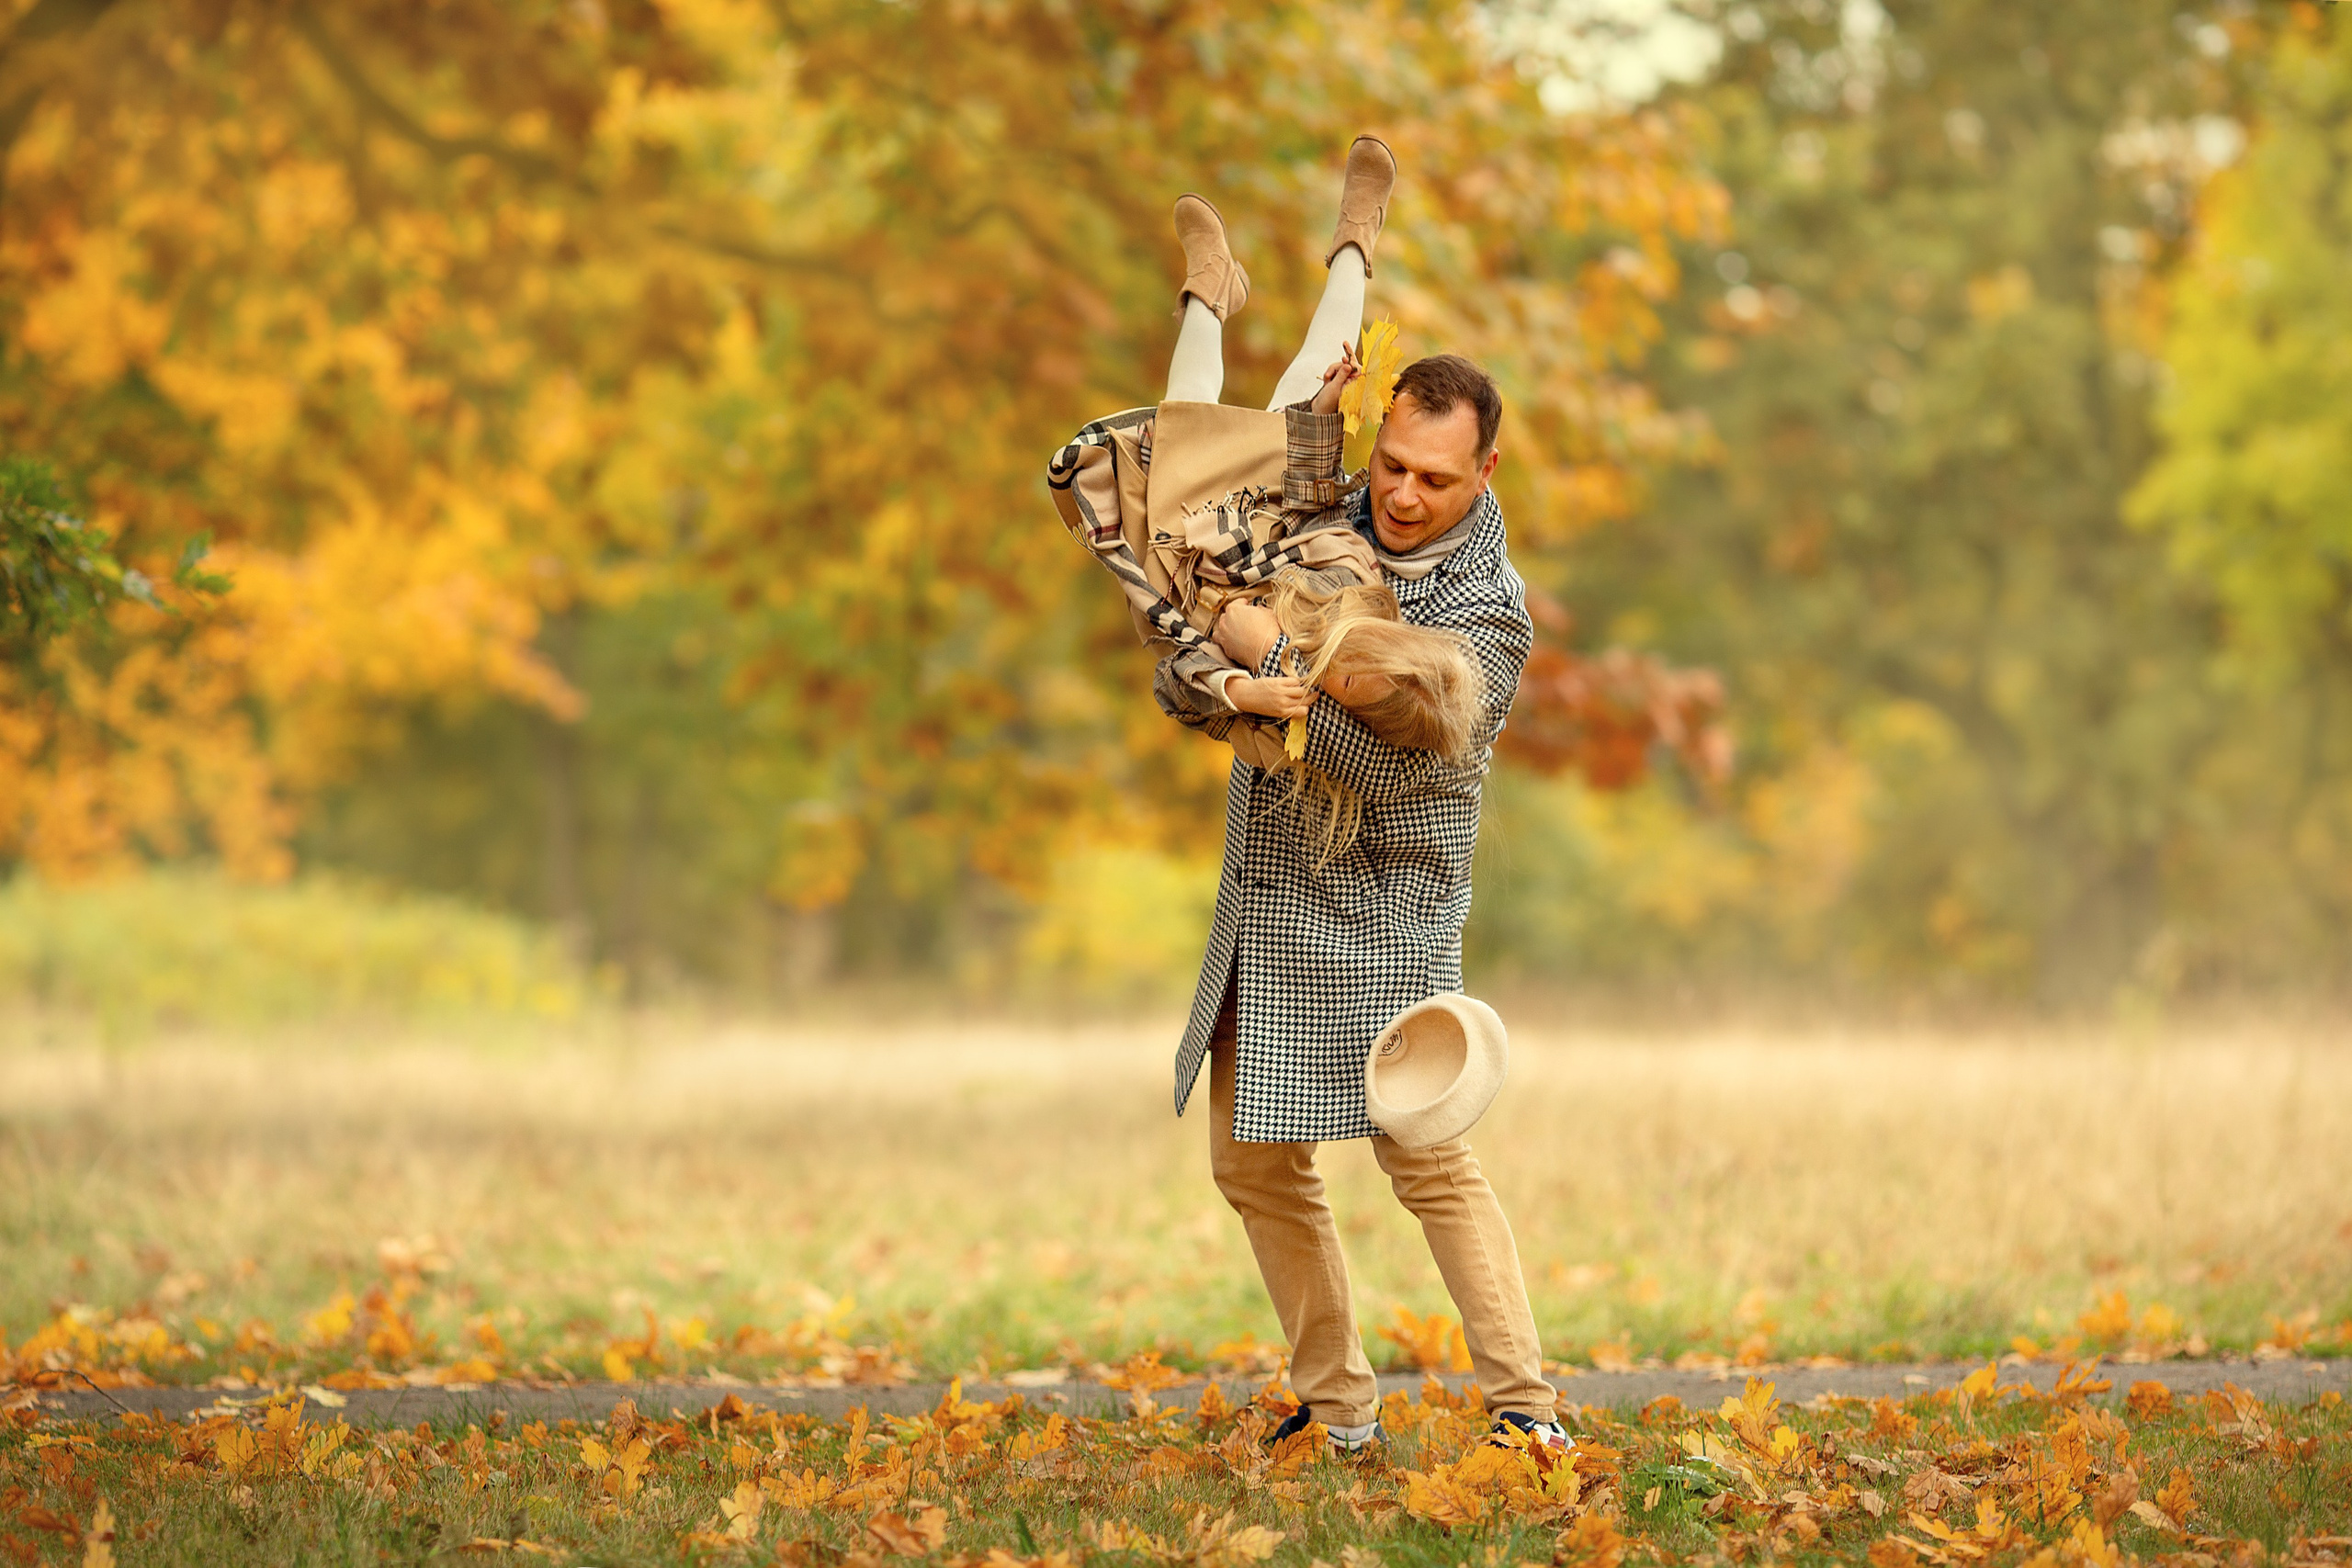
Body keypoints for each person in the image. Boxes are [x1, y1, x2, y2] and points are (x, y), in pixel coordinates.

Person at [1059, 139, 1566, 1457]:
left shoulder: (1488, 616)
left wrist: (1274, 673)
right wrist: (1223, 675)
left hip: (1386, 909)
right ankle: (1337, 1411)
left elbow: (1405, 765)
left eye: (1434, 479)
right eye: (1393, 460)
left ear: (1484, 477)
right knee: (1253, 1166)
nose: (1399, 492)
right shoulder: (1322, 508)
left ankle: (1527, 1409)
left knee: (1427, 1160)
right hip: (1270, 894)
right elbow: (1184, 668)